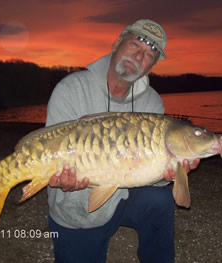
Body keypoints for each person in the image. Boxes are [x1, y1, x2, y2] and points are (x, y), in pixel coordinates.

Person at [45, 19, 199, 263]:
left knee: (159, 200)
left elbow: (150, 175)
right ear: (117, 43)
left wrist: (167, 174)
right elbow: (49, 152)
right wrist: (61, 179)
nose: (139, 56)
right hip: (76, 206)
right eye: (135, 44)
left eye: (149, 54)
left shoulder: (152, 103)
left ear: (151, 67)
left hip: (124, 195)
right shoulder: (71, 89)